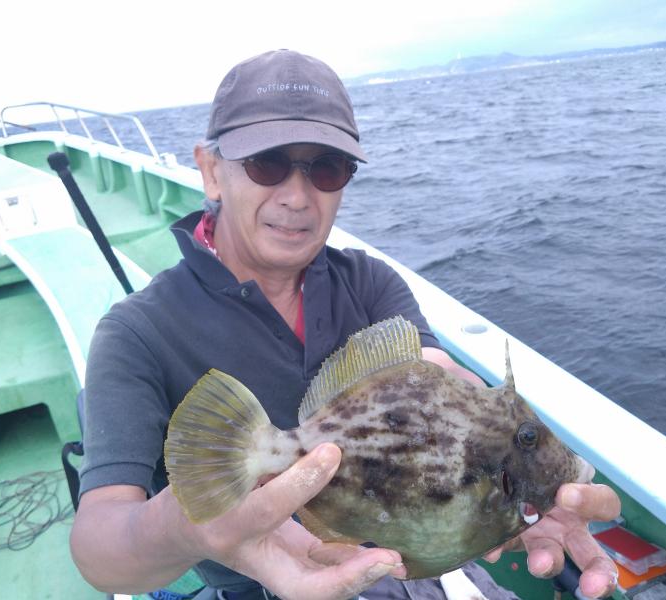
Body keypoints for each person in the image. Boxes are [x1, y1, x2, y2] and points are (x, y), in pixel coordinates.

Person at [70, 49, 621, 600]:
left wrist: (525, 477)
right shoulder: (137, 332)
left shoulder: (370, 282)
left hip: (414, 564)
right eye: (266, 163)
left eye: (327, 168)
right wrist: (188, 527)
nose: (297, 197)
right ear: (212, 171)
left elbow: (434, 375)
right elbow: (99, 550)